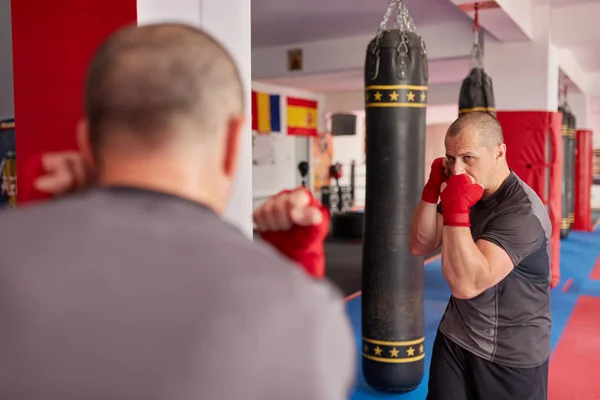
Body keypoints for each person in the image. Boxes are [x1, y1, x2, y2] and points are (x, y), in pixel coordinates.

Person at [0, 23, 356, 399]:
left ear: (86, 143)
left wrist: (44, 225)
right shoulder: (306, 315)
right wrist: (293, 273)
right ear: (235, 142)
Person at [409, 111, 552, 400]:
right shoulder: (465, 190)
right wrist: (431, 191)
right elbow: (420, 244)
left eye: (468, 158)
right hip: (456, 338)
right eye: (451, 158)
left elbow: (467, 284)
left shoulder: (522, 212)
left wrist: (456, 206)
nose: (457, 169)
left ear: (499, 152)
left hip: (510, 354)